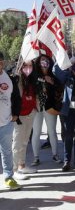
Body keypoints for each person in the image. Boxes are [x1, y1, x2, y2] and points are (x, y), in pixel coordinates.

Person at [31, 54, 62, 166]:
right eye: (42, 61)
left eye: (46, 61)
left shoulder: (53, 76)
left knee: (52, 131)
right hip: (37, 108)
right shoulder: (33, 76)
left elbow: (59, 89)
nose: (44, 63)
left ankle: (55, 155)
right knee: (36, 132)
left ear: (50, 64)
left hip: (50, 108)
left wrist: (52, 83)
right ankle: (36, 157)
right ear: (38, 63)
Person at [0, 52, 22, 190]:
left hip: (6, 122)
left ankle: (8, 177)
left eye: (0, 61)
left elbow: (16, 98)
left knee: (7, 151)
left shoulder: (9, 79)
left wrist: (15, 114)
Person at [12, 60, 37, 180]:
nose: (28, 68)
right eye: (25, 65)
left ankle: (22, 165)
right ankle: (14, 169)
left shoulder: (33, 79)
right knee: (17, 142)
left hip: (30, 113)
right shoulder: (16, 79)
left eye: (30, 65)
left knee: (25, 141)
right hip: (19, 116)